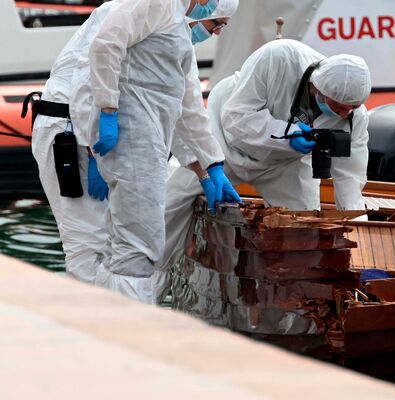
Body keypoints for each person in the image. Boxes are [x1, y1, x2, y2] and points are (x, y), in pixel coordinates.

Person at [33, 0, 241, 303]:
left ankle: (108, 327)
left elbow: (185, 108)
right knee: (89, 244)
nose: (217, 31)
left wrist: (210, 168)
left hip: (103, 135)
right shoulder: (147, 6)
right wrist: (93, 149)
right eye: (216, 23)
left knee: (117, 245)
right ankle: (92, 329)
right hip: (70, 130)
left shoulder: (175, 33)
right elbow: (89, 74)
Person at [155, 39, 371, 302]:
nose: (344, 113)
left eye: (352, 108)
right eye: (338, 106)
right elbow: (235, 117)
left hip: (285, 164)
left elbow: (350, 182)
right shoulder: (278, 57)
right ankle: (146, 288)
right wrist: (286, 133)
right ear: (318, 86)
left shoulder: (354, 117)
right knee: (169, 203)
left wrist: (362, 249)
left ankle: (295, 303)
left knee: (302, 231)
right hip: (222, 143)